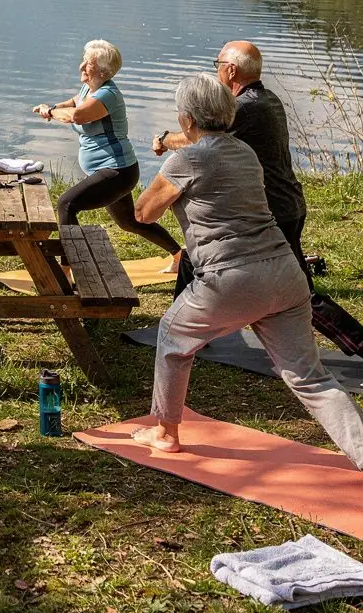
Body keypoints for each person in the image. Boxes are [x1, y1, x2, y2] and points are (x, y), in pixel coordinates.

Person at [132, 73, 363, 465]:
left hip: (232, 279)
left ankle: (166, 433)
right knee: (310, 378)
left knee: (172, 337)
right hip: (285, 276)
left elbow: (143, 212)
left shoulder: (186, 158)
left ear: (187, 119)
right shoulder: (245, 152)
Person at [153, 40, 363, 355]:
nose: (216, 69)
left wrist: (165, 140)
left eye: (217, 63)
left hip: (274, 210)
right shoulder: (267, 99)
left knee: (301, 294)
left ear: (231, 69)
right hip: (285, 204)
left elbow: (200, 137)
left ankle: (359, 343)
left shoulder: (244, 107)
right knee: (192, 259)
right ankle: (186, 332)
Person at [33, 39, 181, 259]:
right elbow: (75, 102)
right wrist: (54, 107)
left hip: (117, 172)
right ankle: (180, 256)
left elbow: (77, 116)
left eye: (88, 64)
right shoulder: (90, 87)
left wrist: (49, 112)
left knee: (67, 204)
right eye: (83, 61)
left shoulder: (107, 95)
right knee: (129, 222)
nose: (82, 67)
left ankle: (69, 268)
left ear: (103, 71)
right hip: (114, 171)